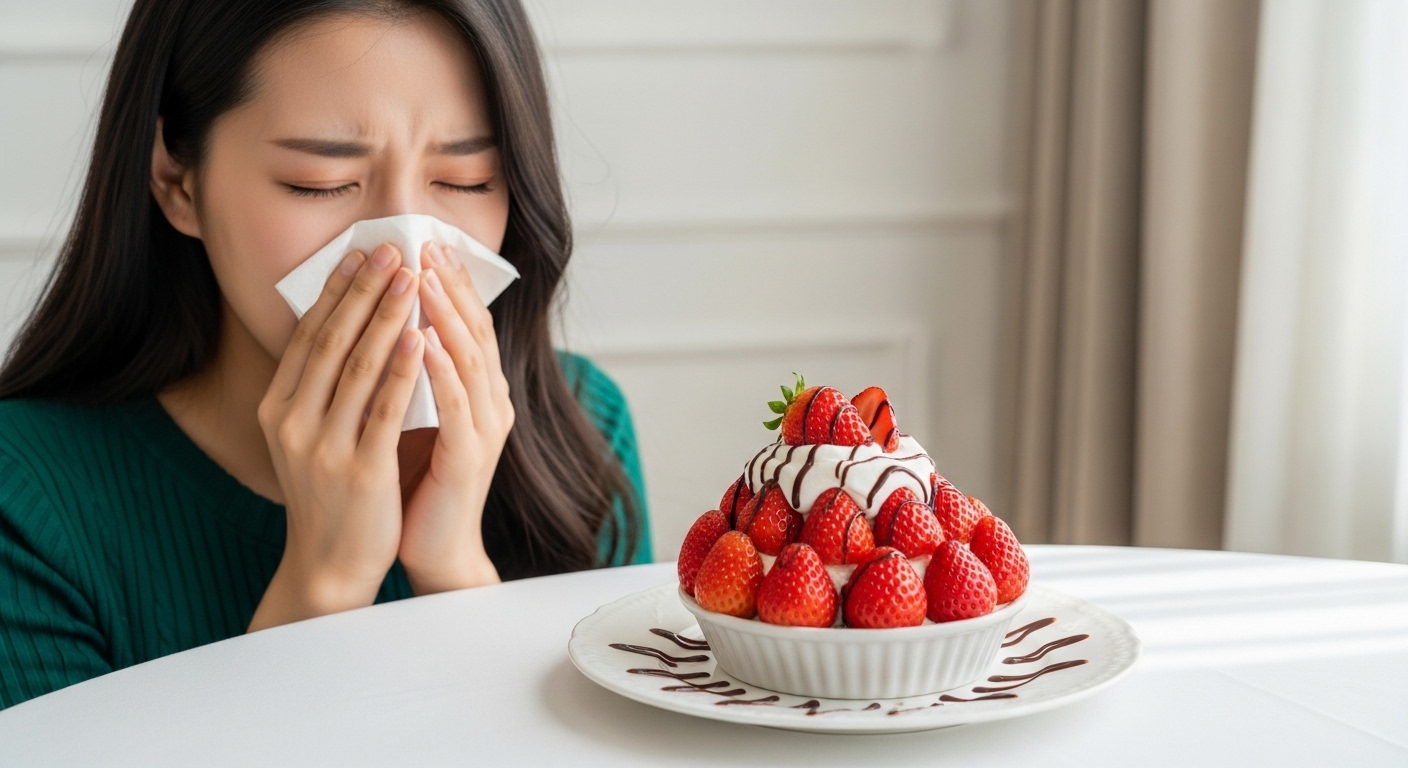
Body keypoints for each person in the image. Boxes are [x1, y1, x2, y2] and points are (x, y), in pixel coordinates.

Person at [0, 0, 650, 710]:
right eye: (320, 182)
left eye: (466, 180)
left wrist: (457, 573)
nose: (404, 254)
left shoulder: (581, 432)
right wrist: (323, 582)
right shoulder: (27, 502)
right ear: (177, 179)